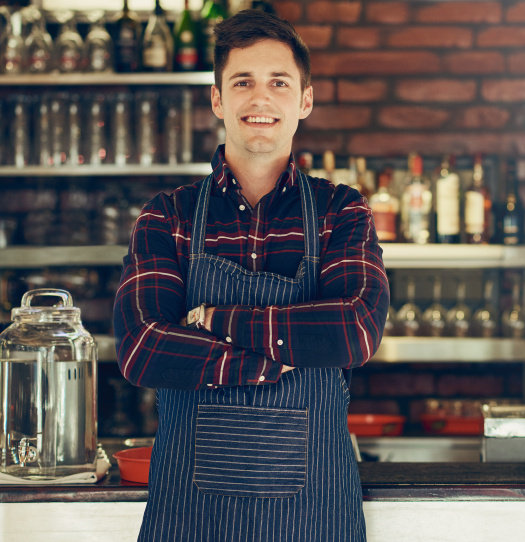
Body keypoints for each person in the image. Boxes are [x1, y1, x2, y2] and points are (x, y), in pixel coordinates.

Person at [113, 9, 389, 542]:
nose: (260, 98)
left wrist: (214, 318)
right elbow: (142, 347)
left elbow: (353, 331)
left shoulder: (341, 212)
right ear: (218, 98)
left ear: (304, 100)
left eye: (278, 83)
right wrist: (275, 361)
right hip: (192, 518)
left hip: (314, 518)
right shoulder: (167, 215)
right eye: (243, 82)